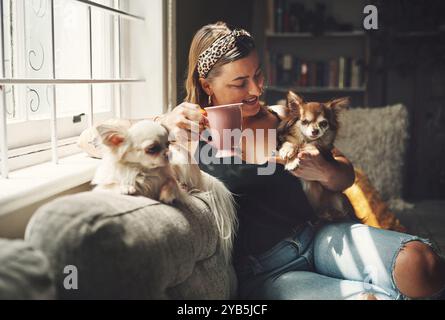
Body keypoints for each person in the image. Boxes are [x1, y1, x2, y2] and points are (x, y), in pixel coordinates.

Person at [85, 21, 445, 300]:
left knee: (423, 264)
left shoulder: (281, 116)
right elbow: (89, 139)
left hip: (321, 235)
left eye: (258, 75)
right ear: (207, 84)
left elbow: (344, 177)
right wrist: (162, 121)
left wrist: (325, 170)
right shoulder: (184, 131)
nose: (256, 89)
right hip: (268, 271)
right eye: (240, 82)